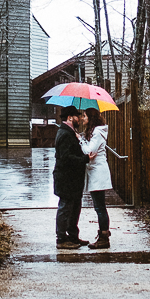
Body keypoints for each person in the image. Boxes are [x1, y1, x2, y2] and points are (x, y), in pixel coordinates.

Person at [52, 106, 90, 248]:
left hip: (72, 179)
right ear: (69, 118)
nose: (79, 119)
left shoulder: (70, 132)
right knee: (65, 208)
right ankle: (61, 239)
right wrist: (84, 159)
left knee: (74, 208)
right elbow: (66, 157)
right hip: (66, 178)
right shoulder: (65, 134)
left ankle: (73, 236)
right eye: (77, 116)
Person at [80, 108, 113, 249]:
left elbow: (89, 151)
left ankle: (104, 238)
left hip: (98, 173)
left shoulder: (97, 133)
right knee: (99, 207)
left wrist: (81, 140)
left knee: (100, 208)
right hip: (95, 172)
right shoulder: (94, 132)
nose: (82, 118)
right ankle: (103, 235)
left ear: (91, 118)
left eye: (85, 116)